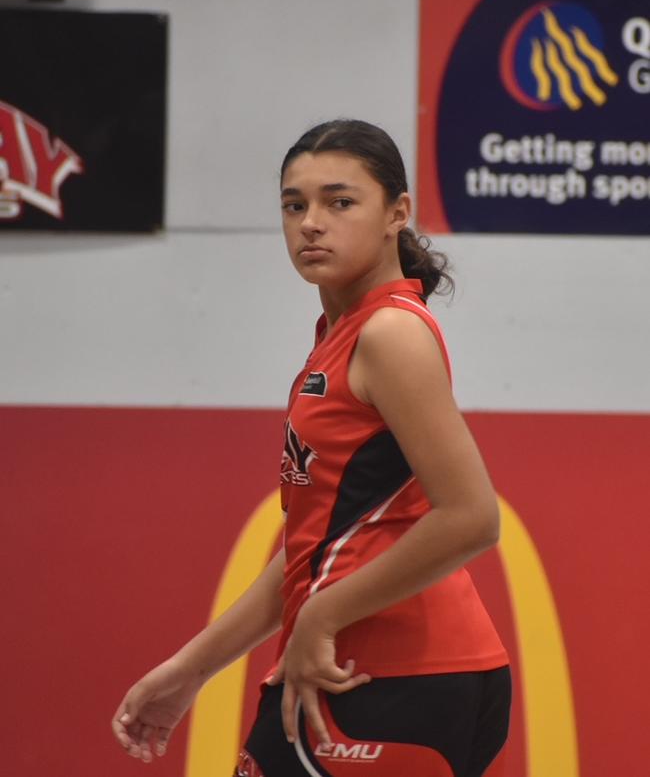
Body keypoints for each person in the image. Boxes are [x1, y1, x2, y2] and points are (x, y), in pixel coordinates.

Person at [111, 119, 511, 776]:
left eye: (340, 201)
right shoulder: (339, 334)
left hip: (393, 676)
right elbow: (316, 549)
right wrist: (192, 669)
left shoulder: (390, 334)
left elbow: (472, 518)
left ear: (397, 213)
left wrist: (320, 619)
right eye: (294, 206)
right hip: (352, 668)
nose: (311, 223)